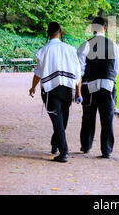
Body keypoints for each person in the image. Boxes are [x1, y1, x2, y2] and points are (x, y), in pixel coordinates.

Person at [29, 22, 81, 163]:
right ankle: (56, 143)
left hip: (51, 90)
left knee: (58, 121)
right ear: (61, 32)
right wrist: (78, 91)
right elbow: (77, 73)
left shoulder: (43, 51)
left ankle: (64, 152)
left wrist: (33, 87)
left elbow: (38, 73)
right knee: (62, 120)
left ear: (48, 33)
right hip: (67, 89)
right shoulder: (70, 49)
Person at [77, 16, 119, 159]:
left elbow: (80, 70)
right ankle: (106, 151)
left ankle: (86, 146)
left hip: (89, 86)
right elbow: (117, 69)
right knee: (107, 118)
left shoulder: (85, 45)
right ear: (105, 28)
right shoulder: (114, 46)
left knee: (88, 117)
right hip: (108, 86)